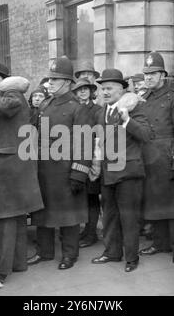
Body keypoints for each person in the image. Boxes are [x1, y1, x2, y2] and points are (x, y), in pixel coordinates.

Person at [0, 62, 44, 287]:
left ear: (0, 80)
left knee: (2, 218)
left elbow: (1, 103)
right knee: (15, 218)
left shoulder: (12, 94)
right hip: (11, 166)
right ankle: (18, 263)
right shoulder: (10, 97)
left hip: (9, 168)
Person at [28, 56, 90, 270]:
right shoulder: (45, 104)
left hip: (66, 170)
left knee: (68, 214)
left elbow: (84, 143)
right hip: (44, 168)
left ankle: (69, 255)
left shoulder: (77, 108)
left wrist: (79, 173)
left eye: (55, 80)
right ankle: (44, 252)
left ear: (66, 82)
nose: (50, 83)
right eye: (50, 79)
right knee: (43, 211)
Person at [90, 69, 152, 272]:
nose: (105, 92)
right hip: (108, 173)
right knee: (109, 215)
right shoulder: (102, 112)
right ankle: (112, 253)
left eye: (109, 88)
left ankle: (131, 258)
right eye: (103, 89)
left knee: (129, 217)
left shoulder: (136, 110)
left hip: (129, 173)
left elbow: (145, 135)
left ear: (121, 91)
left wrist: (127, 120)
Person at [139, 52, 174, 264]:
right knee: (154, 203)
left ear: (163, 75)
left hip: (169, 158)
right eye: (146, 74)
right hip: (150, 159)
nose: (149, 78)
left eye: (153, 74)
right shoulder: (144, 99)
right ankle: (159, 243)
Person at [71, 78, 102, 248]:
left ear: (91, 91)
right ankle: (84, 231)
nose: (82, 92)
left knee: (91, 197)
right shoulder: (74, 108)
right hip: (75, 156)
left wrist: (95, 162)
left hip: (92, 157)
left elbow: (99, 137)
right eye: (79, 89)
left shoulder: (97, 110)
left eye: (86, 89)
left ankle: (91, 233)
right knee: (79, 195)